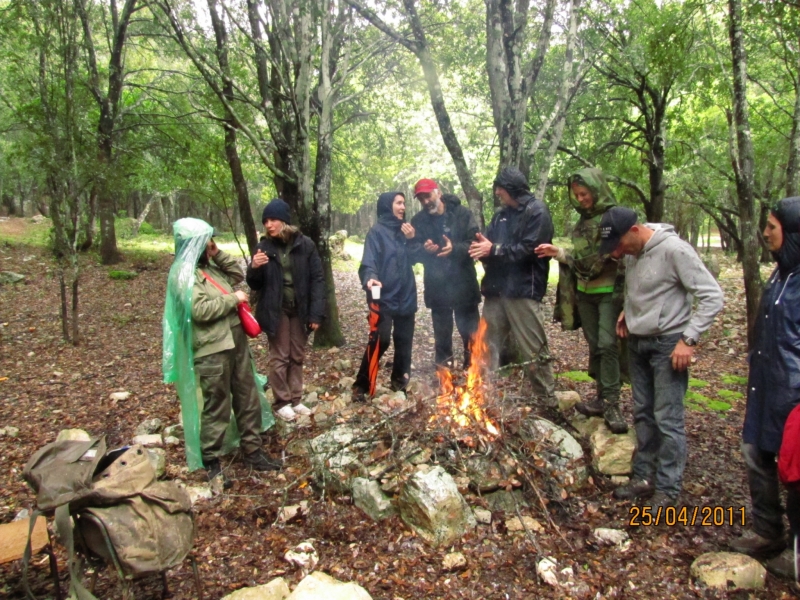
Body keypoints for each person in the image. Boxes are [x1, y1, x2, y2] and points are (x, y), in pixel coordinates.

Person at [601, 207, 723, 508]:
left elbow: (712, 295)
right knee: (642, 411)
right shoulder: (632, 253)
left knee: (667, 417)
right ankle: (644, 477)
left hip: (668, 343)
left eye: (618, 245)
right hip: (637, 342)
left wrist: (689, 339)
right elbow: (643, 290)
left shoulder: (674, 250)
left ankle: (668, 488)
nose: (616, 253)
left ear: (634, 230)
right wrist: (628, 313)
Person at [165, 219, 281, 488]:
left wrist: (217, 253)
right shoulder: (183, 274)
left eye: (211, 241)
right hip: (211, 349)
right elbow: (200, 310)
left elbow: (237, 275)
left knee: (247, 396)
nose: (210, 245)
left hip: (236, 342)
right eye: (206, 241)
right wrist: (234, 300)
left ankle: (253, 451)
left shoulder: (210, 267)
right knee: (216, 406)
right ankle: (212, 460)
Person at [729, 197, 800, 580]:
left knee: (798, 473)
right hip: (766, 389)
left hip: (795, 397)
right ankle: (767, 531)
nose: (766, 232)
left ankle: (797, 550)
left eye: (773, 227)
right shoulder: (780, 274)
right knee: (755, 453)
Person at [535, 168, 627, 433]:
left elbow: (604, 257)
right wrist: (560, 253)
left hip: (609, 293)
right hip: (585, 294)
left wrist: (564, 254)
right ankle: (602, 396)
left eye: (585, 193)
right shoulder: (582, 222)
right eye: (577, 195)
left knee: (609, 344)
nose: (581, 199)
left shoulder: (613, 217)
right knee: (596, 344)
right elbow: (582, 258)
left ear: (596, 190)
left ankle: (612, 402)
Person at [468, 166, 557, 407]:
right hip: (496, 291)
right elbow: (490, 246)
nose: (497, 193)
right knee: (484, 346)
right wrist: (482, 250)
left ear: (511, 189)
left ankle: (548, 401)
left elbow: (531, 249)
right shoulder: (500, 215)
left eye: (500, 188)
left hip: (523, 292)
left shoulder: (537, 211)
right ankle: (479, 396)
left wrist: (494, 250)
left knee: (533, 350)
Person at [246, 198, 326, 422]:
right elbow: (254, 284)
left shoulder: (305, 245)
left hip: (300, 308)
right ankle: (282, 402)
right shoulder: (263, 247)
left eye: (273, 220)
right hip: (276, 308)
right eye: (265, 221)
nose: (268, 225)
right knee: (280, 356)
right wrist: (254, 267)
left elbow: (317, 280)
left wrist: (316, 313)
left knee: (297, 355)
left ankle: (296, 399)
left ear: (285, 221)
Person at [409, 179, 480, 371]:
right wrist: (425, 250)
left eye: (428, 195)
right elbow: (412, 251)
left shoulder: (463, 214)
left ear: (438, 193)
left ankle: (473, 372)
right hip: (437, 287)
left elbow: (475, 243)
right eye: (421, 198)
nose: (425, 201)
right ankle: (444, 374)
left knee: (471, 332)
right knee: (442, 335)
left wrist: (454, 248)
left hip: (464, 284)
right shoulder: (418, 221)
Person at [352, 192, 417, 400]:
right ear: (388, 206)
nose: (403, 207)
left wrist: (411, 241)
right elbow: (368, 262)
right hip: (384, 296)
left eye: (404, 203)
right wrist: (370, 278)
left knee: (404, 340)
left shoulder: (406, 231)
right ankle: (361, 384)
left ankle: (400, 384)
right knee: (381, 339)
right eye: (398, 203)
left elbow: (418, 258)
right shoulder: (376, 233)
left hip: (406, 294)